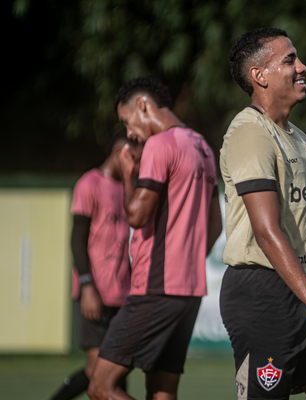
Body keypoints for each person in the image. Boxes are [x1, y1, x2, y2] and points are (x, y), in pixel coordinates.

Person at [219, 28, 306, 400]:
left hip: (305, 291)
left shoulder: (299, 137)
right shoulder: (250, 133)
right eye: (289, 60)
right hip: (261, 294)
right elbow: (266, 233)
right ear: (260, 76)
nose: (302, 66)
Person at [87, 76, 222, 400]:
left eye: (126, 120)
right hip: (190, 291)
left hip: (155, 287)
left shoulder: (161, 144)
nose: (129, 132)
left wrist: (130, 179)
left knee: (100, 387)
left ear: (143, 105)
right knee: (162, 393)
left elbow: (136, 215)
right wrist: (187, 259)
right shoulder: (202, 146)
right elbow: (215, 225)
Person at [49, 129, 143, 400]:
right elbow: (77, 240)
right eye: (133, 158)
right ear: (120, 153)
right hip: (96, 293)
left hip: (123, 295)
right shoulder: (90, 183)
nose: (136, 165)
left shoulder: (131, 191)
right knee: (98, 370)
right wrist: (87, 285)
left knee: (114, 369)